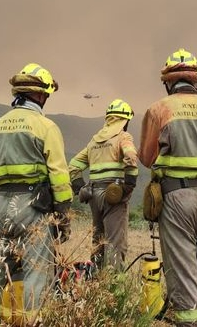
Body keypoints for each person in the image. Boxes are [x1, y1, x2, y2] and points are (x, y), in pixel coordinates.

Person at [0, 63, 72, 326]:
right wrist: (63, 217)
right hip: (32, 206)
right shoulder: (45, 126)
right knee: (36, 273)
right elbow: (60, 177)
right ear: (41, 95)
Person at [139, 48, 197, 327]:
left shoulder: (159, 109)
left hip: (176, 196)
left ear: (168, 81)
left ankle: (191, 321)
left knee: (183, 273)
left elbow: (146, 157)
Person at [69, 98, 139, 271]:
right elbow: (131, 156)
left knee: (98, 241)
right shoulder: (123, 137)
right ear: (125, 120)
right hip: (113, 196)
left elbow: (73, 166)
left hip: (93, 195)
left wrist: (80, 188)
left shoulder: (94, 142)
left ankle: (94, 282)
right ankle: (114, 286)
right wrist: (128, 186)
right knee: (115, 244)